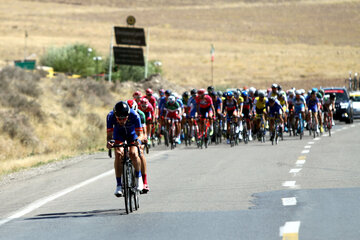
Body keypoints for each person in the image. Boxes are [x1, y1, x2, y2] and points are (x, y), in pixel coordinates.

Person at [106, 101, 146, 197]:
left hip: (132, 135)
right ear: (115, 115)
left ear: (128, 115)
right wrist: (110, 142)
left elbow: (140, 135)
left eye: (124, 118)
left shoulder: (134, 115)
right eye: (119, 119)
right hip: (118, 135)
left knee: (133, 154)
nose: (122, 121)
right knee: (119, 154)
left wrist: (138, 141)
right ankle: (119, 185)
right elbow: (109, 136)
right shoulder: (110, 116)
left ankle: (139, 178)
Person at [127, 99, 150, 193]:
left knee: (140, 153)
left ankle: (144, 181)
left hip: (138, 135)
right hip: (126, 134)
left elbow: (143, 133)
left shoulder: (141, 114)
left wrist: (142, 142)